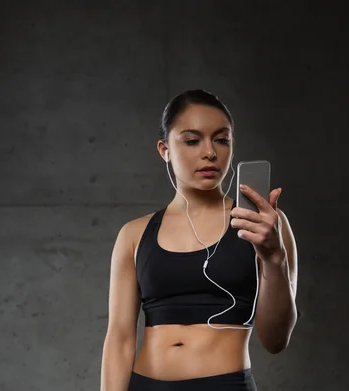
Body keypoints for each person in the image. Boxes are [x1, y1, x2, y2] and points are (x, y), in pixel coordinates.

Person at [100, 89, 298, 391]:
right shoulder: (134, 234)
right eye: (192, 140)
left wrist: (274, 258)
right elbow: (120, 338)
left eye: (221, 139)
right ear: (165, 150)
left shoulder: (263, 225)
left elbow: (275, 341)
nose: (210, 153)